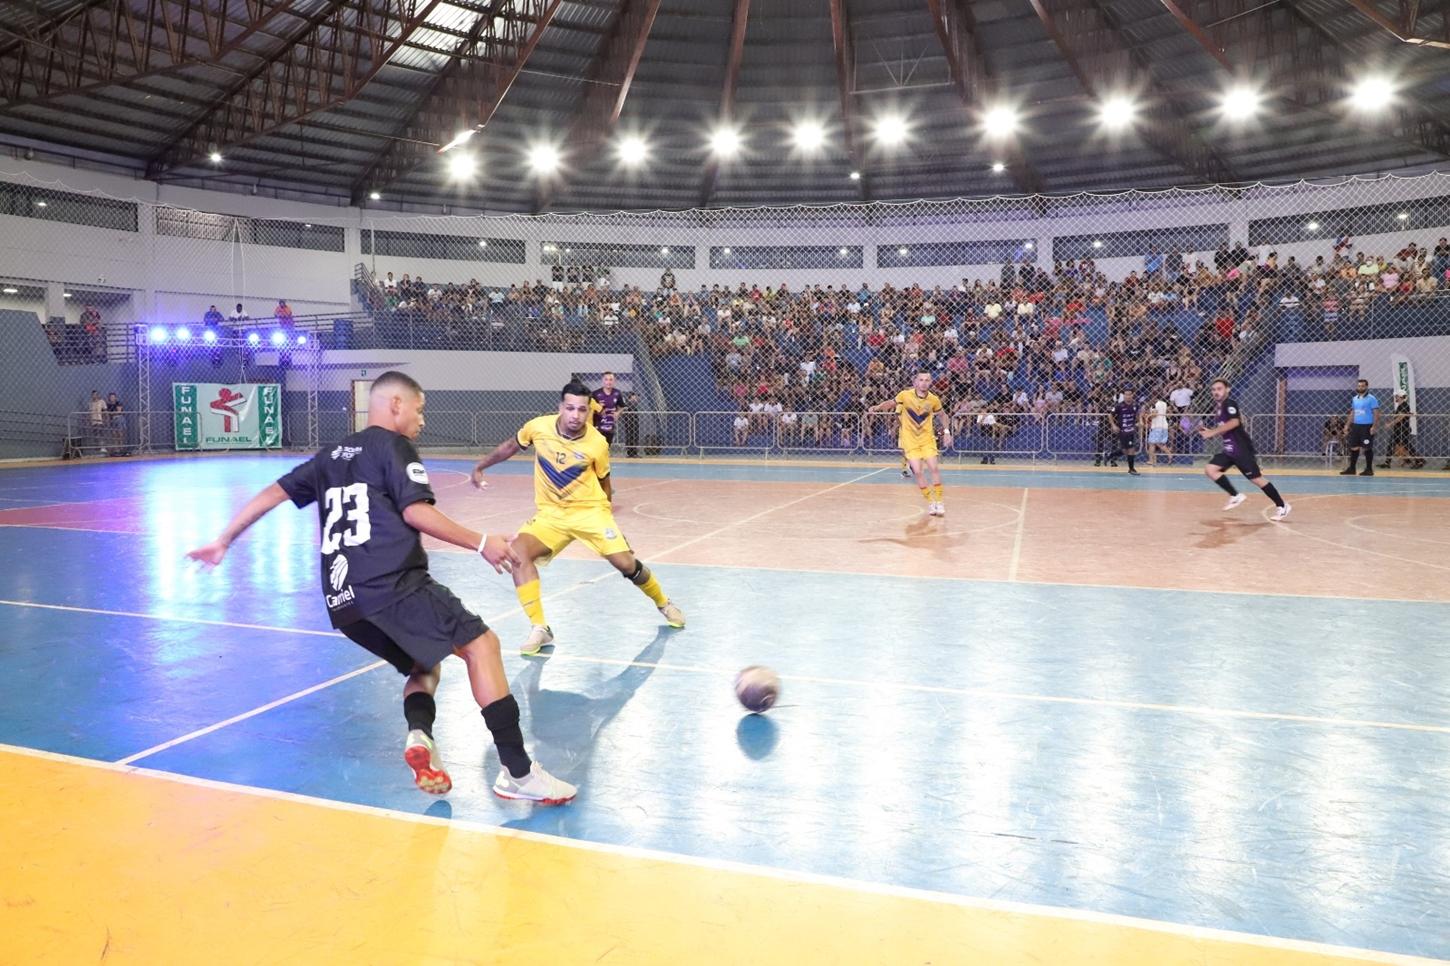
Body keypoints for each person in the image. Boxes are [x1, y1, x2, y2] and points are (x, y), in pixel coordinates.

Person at [186, 371, 576, 805]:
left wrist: (223, 540)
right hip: (392, 584)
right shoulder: (393, 446)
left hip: (345, 603)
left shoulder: (329, 456)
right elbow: (416, 513)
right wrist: (482, 542)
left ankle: (420, 736)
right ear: (395, 405)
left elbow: (270, 495)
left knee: (424, 666)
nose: (422, 420)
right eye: (419, 409)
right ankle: (518, 774)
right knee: (482, 645)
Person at [469, 379, 685, 656]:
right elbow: (511, 446)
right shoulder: (538, 427)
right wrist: (480, 466)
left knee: (626, 563)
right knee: (518, 553)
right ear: (560, 407)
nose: (575, 415)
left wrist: (611, 525)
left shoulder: (597, 443)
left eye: (582, 410)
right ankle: (540, 628)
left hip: (591, 512)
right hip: (551, 515)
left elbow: (605, 482)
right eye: (570, 408)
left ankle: (663, 602)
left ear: (589, 411)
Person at [1199, 377, 1290, 520]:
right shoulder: (1219, 408)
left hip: (1241, 450)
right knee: (1211, 469)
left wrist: (1213, 432)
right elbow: (1226, 428)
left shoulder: (1230, 403)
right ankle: (1235, 495)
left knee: (1257, 479)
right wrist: (1210, 432)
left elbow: (1235, 422)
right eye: (1213, 389)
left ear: (1227, 389)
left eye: (1219, 389)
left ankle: (1282, 505)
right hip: (1229, 450)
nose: (1216, 392)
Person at [868, 371, 953, 516]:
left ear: (930, 382)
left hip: (927, 440)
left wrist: (946, 432)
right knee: (918, 472)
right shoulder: (905, 395)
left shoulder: (934, 400)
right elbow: (890, 403)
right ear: (915, 382)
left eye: (927, 380)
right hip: (910, 441)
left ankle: (939, 501)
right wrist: (877, 407)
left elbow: (943, 415)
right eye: (921, 380)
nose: (924, 382)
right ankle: (930, 502)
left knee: (934, 468)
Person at [1341, 378, 1379, 476]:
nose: (1360, 387)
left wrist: (1374, 426)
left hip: (1367, 427)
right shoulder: (1355, 399)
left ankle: (1369, 469)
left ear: (1366, 387)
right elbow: (1353, 413)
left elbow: (1376, 413)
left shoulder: (1372, 399)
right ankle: (1352, 469)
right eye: (1359, 386)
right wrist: (1347, 425)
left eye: (1362, 386)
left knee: (1367, 447)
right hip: (1356, 426)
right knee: (1354, 447)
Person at [1379, 391, 1425, 469]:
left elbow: (1400, 417)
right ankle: (1388, 462)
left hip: (1402, 429)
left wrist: (1390, 424)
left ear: (1400, 396)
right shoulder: (1402, 405)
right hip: (1400, 429)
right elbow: (1404, 414)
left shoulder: (1403, 405)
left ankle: (1419, 461)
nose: (1395, 398)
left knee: (1404, 446)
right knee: (1396, 445)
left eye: (1396, 396)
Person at [1110, 389, 1142, 475]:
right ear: (1123, 396)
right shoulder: (1119, 406)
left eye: (1129, 394)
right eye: (1126, 395)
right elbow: (1110, 415)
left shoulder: (1135, 405)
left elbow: (1138, 414)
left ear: (1132, 395)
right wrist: (1113, 425)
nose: (1128, 396)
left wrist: (1139, 421)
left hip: (1131, 430)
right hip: (1123, 431)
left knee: (1128, 450)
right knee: (1128, 450)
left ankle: (1110, 455)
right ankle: (1131, 469)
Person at [589, 371, 623, 447]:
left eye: (611, 379)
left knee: (607, 447)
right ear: (603, 381)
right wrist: (598, 407)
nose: (608, 382)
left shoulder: (617, 393)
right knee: (596, 447)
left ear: (614, 381)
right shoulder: (595, 394)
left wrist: (618, 413)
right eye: (606, 379)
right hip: (597, 426)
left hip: (610, 425)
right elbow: (589, 407)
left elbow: (622, 406)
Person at [1145, 397, 1172, 466]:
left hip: (1157, 426)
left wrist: (1148, 416)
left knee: (1151, 443)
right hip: (1164, 425)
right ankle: (1169, 455)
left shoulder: (1155, 405)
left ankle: (1152, 460)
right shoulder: (1164, 403)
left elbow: (1154, 414)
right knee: (1160, 443)